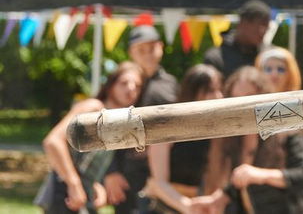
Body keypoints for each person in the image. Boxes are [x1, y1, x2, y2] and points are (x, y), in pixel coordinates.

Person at [207, 67, 303, 214]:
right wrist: (219, 199)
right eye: (235, 99)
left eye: (248, 97)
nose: (241, 107)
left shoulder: (285, 127)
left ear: (264, 96)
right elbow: (242, 179)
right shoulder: (234, 137)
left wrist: (260, 175)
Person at [40, 61, 144, 214]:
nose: (131, 88)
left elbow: (85, 162)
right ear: (110, 85)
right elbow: (53, 142)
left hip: (83, 199)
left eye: (137, 85)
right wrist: (74, 184)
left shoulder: (119, 123)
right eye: (124, 83)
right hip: (63, 194)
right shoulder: (94, 107)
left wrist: (95, 185)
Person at [105, 24, 181, 214]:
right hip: (128, 170)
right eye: (141, 49)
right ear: (132, 52)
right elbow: (107, 125)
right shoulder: (124, 83)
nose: (148, 54)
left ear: (161, 47)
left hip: (166, 167)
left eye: (152, 48)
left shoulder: (170, 84)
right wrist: (110, 171)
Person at [143, 65, 226, 214]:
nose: (218, 96)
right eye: (211, 91)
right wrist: (187, 206)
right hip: (161, 207)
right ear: (193, 92)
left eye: (220, 90)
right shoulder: (168, 126)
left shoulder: (216, 133)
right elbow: (158, 182)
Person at [204, 1, 274, 78]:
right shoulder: (216, 58)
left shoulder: (270, 55)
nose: (263, 31)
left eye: (266, 27)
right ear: (243, 23)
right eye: (260, 26)